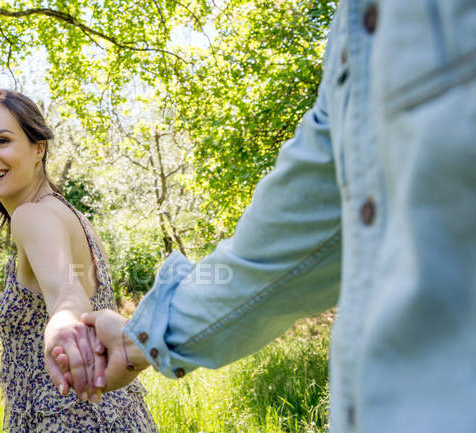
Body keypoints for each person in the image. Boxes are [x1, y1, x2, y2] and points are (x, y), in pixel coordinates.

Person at [49, 1, 476, 432]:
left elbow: (66, 287)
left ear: (40, 148)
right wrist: (134, 340)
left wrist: (71, 319)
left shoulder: (39, 215)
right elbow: (293, 241)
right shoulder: (355, 31)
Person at [0, 89, 157, 432]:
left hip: (68, 421)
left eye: (1, 141)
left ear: (39, 148)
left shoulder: (32, 217)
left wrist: (64, 321)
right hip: (120, 417)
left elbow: (65, 290)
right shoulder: (71, 215)